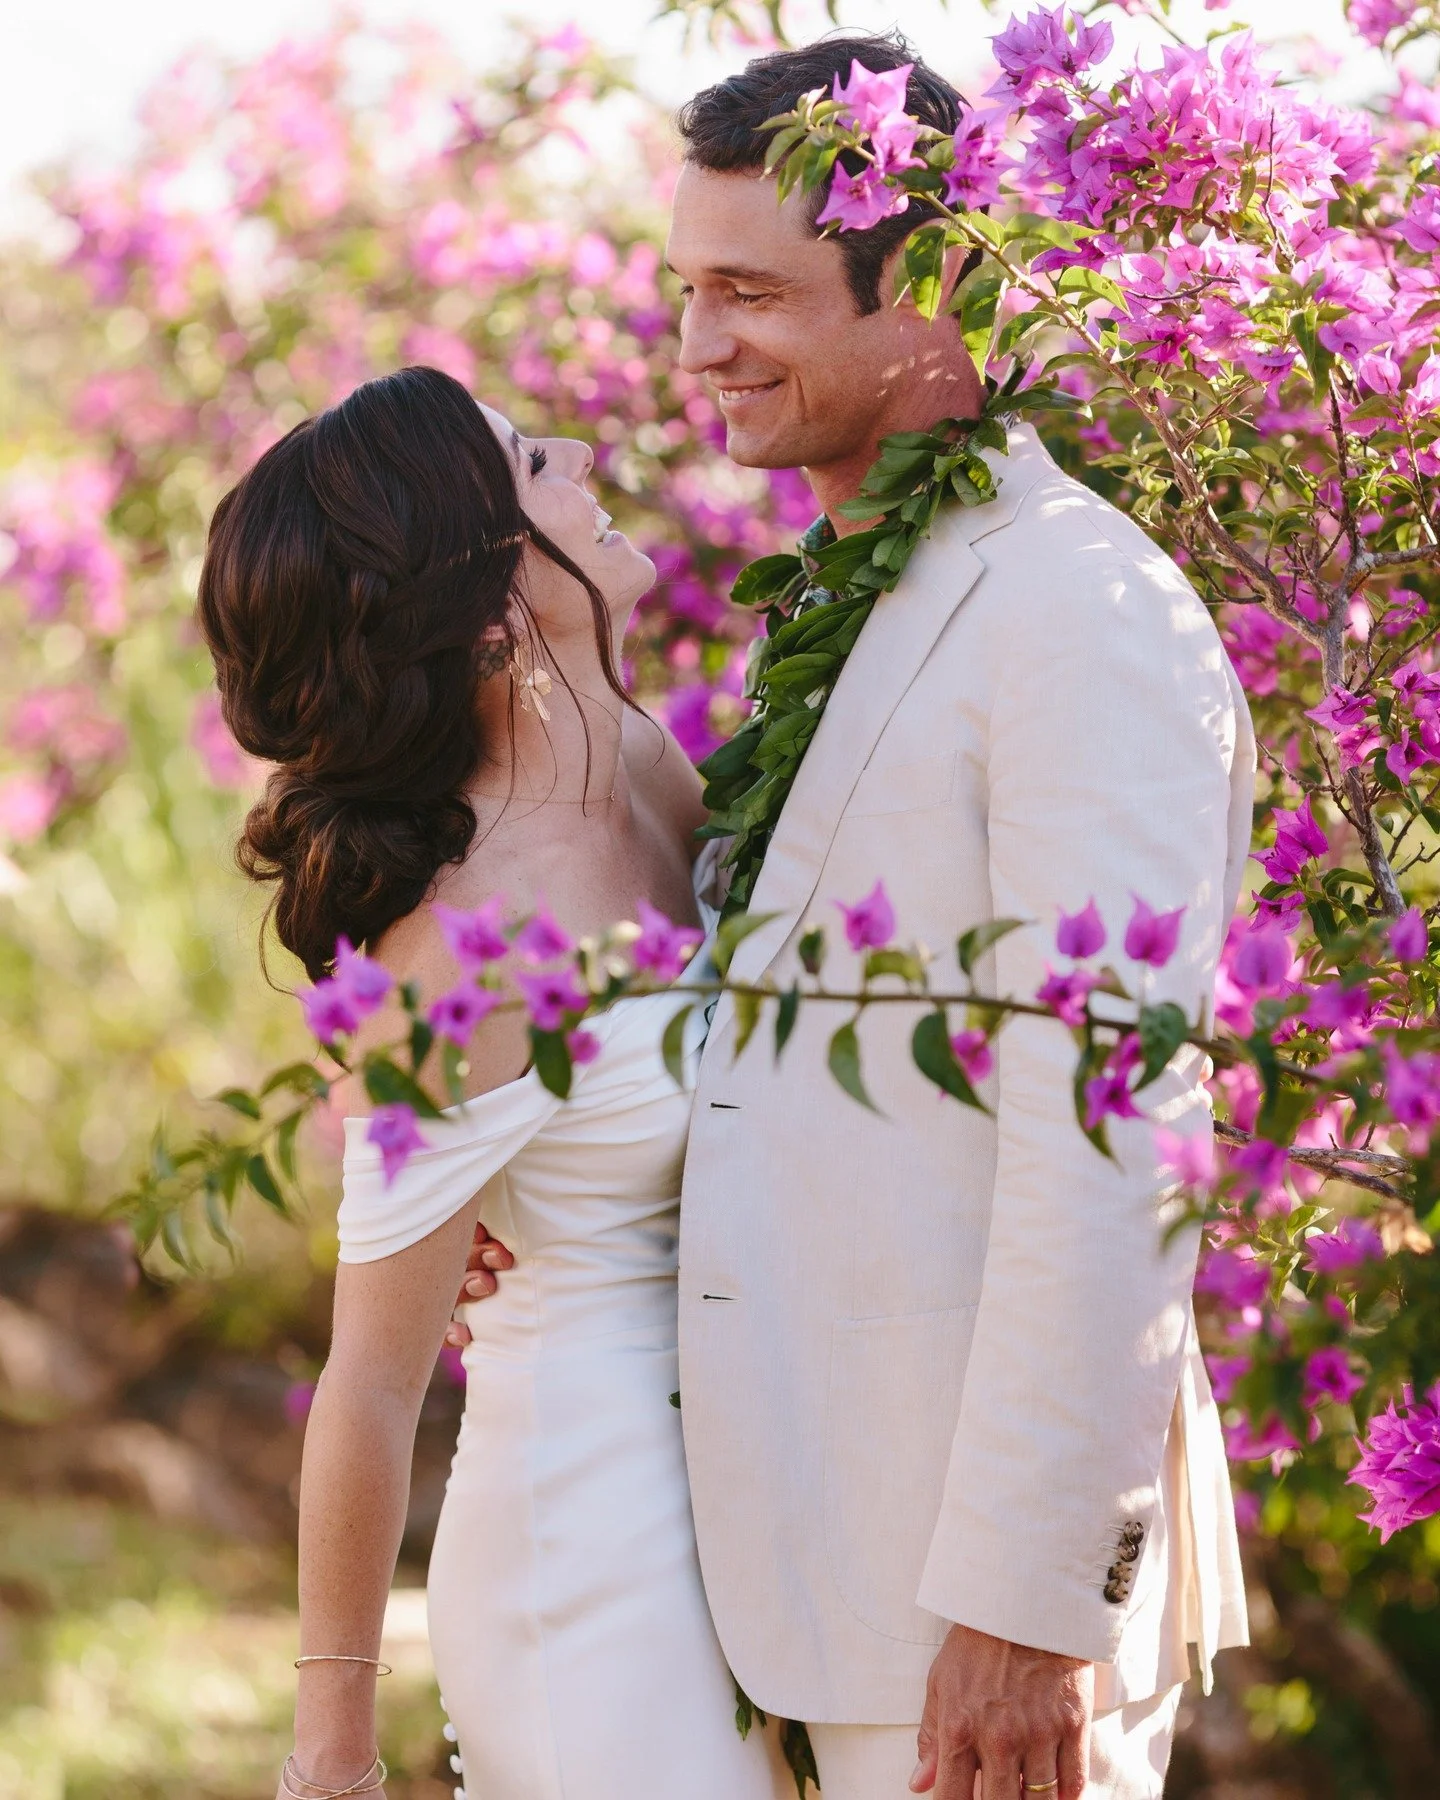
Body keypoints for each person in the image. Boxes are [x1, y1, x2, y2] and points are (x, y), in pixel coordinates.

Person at [455, 31, 1254, 1800]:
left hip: (971, 1609)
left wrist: (1033, 1601)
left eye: (749, 293)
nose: (694, 350)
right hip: (807, 1561)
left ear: (938, 287)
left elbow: (1116, 1125)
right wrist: (548, 1212)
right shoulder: (858, 596)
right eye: (683, 291)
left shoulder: (1077, 610)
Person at [197, 365, 791, 1800]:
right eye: (533, 460)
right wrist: (333, 1752)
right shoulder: (468, 945)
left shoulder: (650, 770)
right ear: (484, 593)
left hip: (758, 1516)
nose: (582, 448)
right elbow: (372, 1384)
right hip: (591, 1558)